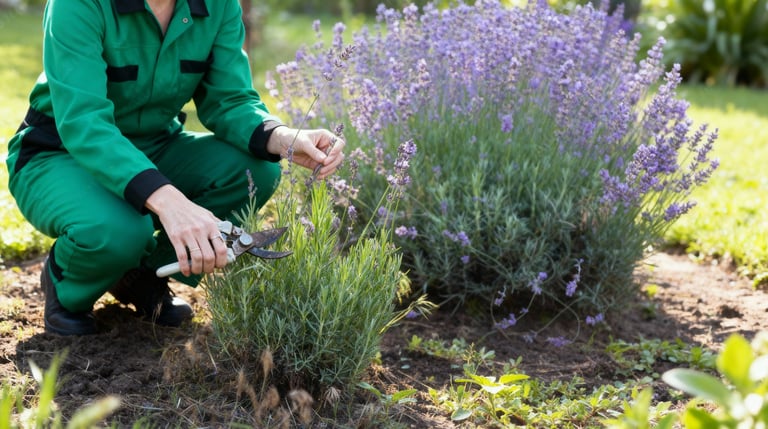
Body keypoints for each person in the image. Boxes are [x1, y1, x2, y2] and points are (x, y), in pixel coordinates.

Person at [5, 0, 345, 336]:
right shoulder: (77, 5)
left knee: (255, 170)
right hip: (60, 153)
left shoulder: (218, 6)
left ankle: (142, 276)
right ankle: (67, 283)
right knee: (120, 231)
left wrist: (283, 136)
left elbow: (231, 100)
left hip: (156, 146)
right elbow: (83, 123)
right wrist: (171, 203)